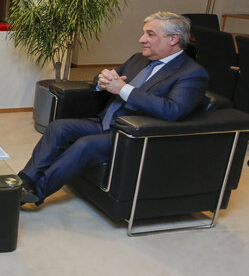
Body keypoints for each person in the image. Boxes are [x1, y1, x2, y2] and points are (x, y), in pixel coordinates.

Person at [19, 11, 209, 207]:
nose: (142, 39)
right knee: (58, 127)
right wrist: (102, 81)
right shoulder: (138, 59)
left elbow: (172, 110)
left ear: (173, 39)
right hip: (104, 122)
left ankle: (33, 192)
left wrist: (124, 89)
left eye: (150, 34)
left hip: (129, 134)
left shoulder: (192, 73)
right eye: (144, 33)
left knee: (85, 145)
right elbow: (110, 77)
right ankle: (23, 181)